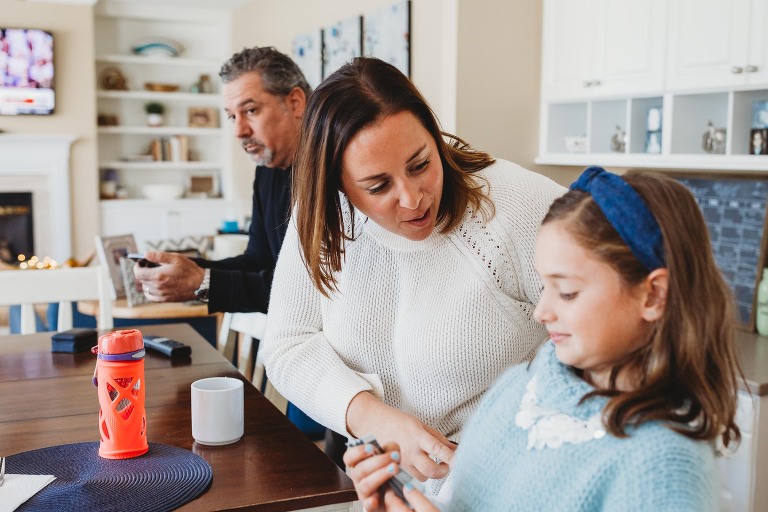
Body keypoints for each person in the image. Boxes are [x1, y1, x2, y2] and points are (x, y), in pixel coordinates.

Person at [345, 167, 745, 511]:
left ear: (653, 295)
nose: (542, 311)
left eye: (567, 291)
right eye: (544, 286)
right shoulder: (520, 389)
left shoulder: (663, 466)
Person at [261, 57, 565, 493]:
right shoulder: (324, 218)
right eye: (378, 186)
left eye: (420, 164)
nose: (412, 199)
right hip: (385, 487)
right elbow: (288, 344)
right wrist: (370, 416)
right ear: (337, 186)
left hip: (511, 485)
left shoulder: (513, 205)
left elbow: (615, 330)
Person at [133, 46, 327, 443]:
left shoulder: (329, 171)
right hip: (294, 352)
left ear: (295, 102)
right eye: (232, 116)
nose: (238, 130)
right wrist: (189, 267)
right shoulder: (269, 173)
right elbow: (259, 260)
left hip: (331, 358)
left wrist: (202, 282)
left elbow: (307, 292)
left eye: (250, 111)